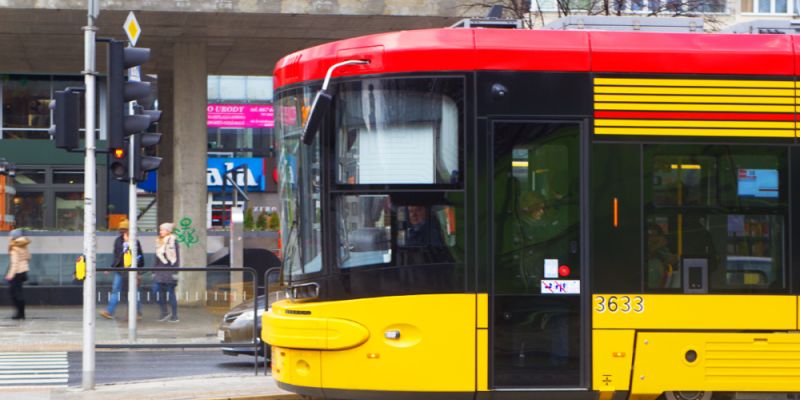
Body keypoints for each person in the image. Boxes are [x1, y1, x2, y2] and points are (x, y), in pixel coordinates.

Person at [100, 220, 144, 320]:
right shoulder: (118, 241)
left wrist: (138, 270)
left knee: (132, 292)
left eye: (124, 230)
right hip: (120, 270)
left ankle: (136, 313)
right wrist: (112, 267)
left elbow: (139, 257)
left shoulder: (134, 242)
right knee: (116, 290)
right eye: (121, 230)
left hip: (131, 270)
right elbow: (117, 256)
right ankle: (110, 312)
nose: (122, 232)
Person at [153, 222, 179, 322]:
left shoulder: (173, 242)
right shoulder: (158, 242)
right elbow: (156, 258)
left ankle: (175, 315)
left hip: (169, 271)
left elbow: (176, 258)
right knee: (156, 291)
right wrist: (153, 271)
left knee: (171, 293)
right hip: (159, 271)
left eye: (162, 230)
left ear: (168, 231)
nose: (160, 232)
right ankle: (164, 312)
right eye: (160, 230)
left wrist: (175, 272)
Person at [6, 229, 30, 320]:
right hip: (23, 271)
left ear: (14, 237)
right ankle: (21, 313)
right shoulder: (23, 245)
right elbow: (28, 257)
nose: (9, 237)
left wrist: (10, 275)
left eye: (10, 235)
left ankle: (19, 314)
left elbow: (14, 264)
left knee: (14, 293)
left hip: (16, 273)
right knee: (19, 293)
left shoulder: (14, 248)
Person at [646, 223, 678, 289]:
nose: (652, 238)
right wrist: (658, 246)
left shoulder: (663, 250)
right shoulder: (645, 249)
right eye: (650, 236)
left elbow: (673, 261)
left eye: (656, 236)